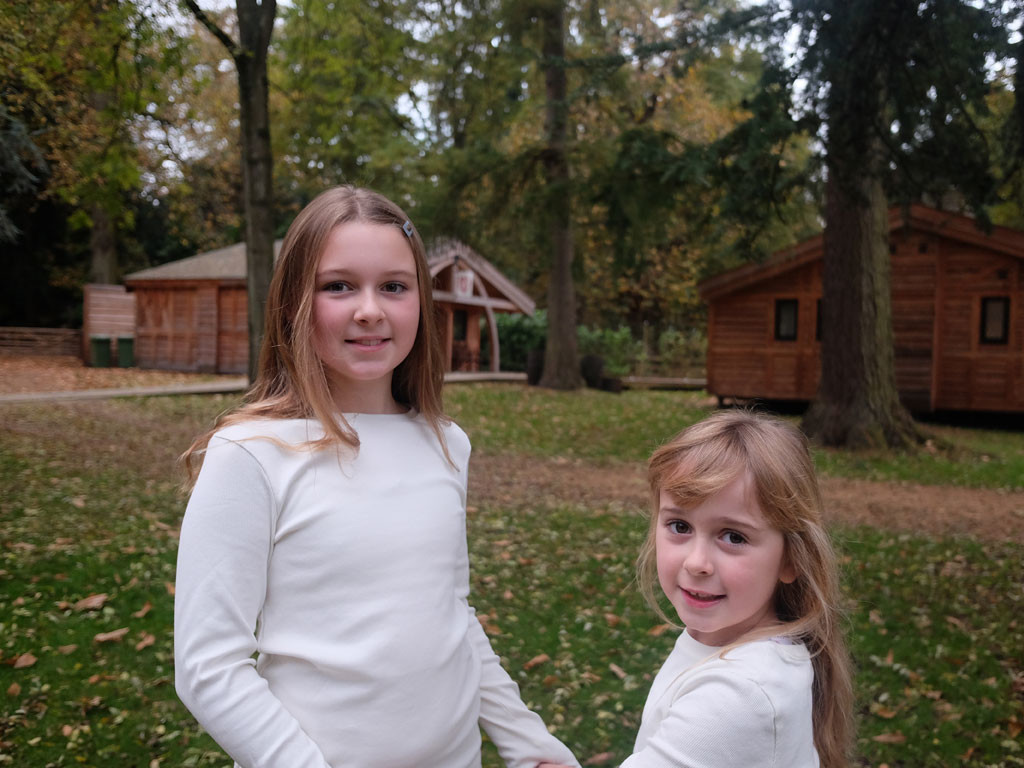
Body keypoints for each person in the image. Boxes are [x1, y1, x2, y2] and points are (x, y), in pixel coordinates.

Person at [174, 185, 580, 768]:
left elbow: (452, 615)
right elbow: (208, 667)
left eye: (394, 286)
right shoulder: (250, 454)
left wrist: (525, 740)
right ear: (293, 302)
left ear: (421, 302)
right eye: (338, 286)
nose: (370, 310)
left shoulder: (446, 444)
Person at [623, 410, 854, 768]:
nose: (697, 563)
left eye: (733, 536)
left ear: (791, 559)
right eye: (680, 526)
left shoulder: (739, 695)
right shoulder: (735, 650)